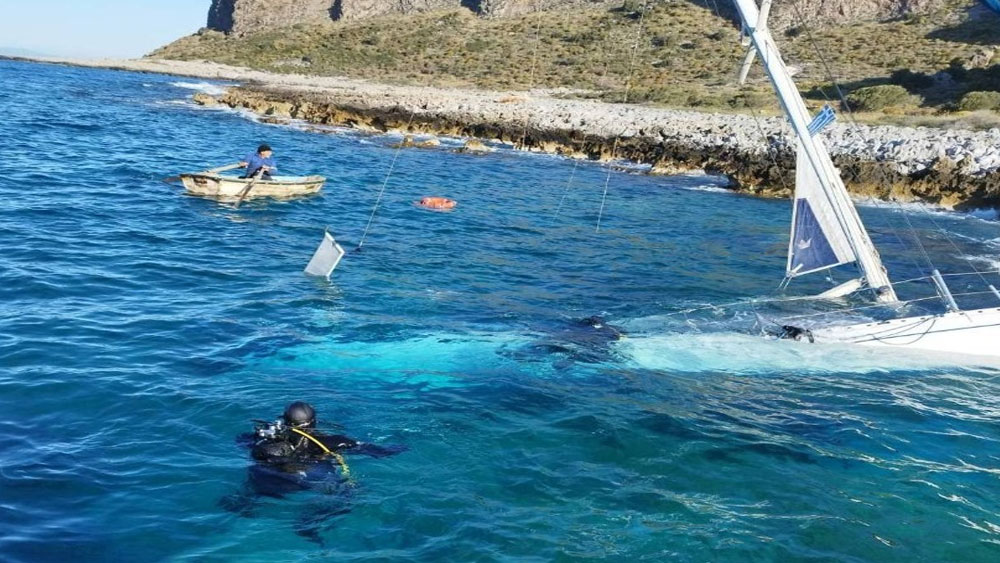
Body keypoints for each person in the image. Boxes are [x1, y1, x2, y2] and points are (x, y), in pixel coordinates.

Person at [221, 401, 405, 544]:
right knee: (348, 495)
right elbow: (378, 452)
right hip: (303, 483)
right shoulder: (330, 441)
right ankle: (309, 523)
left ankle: (243, 504)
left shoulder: (262, 438)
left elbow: (240, 440)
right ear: (313, 422)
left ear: (284, 420)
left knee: (255, 484)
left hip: (265, 483)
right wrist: (403, 445)